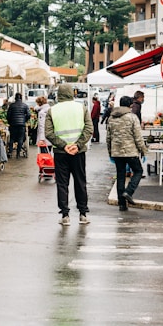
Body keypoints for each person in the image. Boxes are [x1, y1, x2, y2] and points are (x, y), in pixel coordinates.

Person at [45, 83, 93, 226]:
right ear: (72, 93)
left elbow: (48, 132)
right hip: (78, 152)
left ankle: (65, 215)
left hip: (61, 153)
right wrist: (77, 145)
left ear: (58, 95)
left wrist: (64, 146)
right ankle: (83, 214)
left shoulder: (52, 110)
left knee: (62, 183)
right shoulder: (81, 108)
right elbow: (89, 128)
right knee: (80, 181)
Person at [107, 96, 148, 211]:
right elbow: (138, 137)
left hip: (117, 152)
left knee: (120, 176)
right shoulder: (132, 117)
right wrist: (143, 151)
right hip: (130, 151)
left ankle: (122, 204)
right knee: (138, 171)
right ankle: (129, 191)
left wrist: (110, 152)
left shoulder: (111, 118)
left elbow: (108, 138)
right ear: (130, 105)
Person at [6, 92, 30, 158]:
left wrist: (10, 121)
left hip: (13, 124)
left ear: (15, 98)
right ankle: (18, 154)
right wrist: (24, 120)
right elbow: (28, 115)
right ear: (21, 98)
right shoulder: (25, 105)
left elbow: (8, 115)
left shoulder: (12, 105)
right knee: (20, 138)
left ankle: (10, 152)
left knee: (12, 138)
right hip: (21, 125)